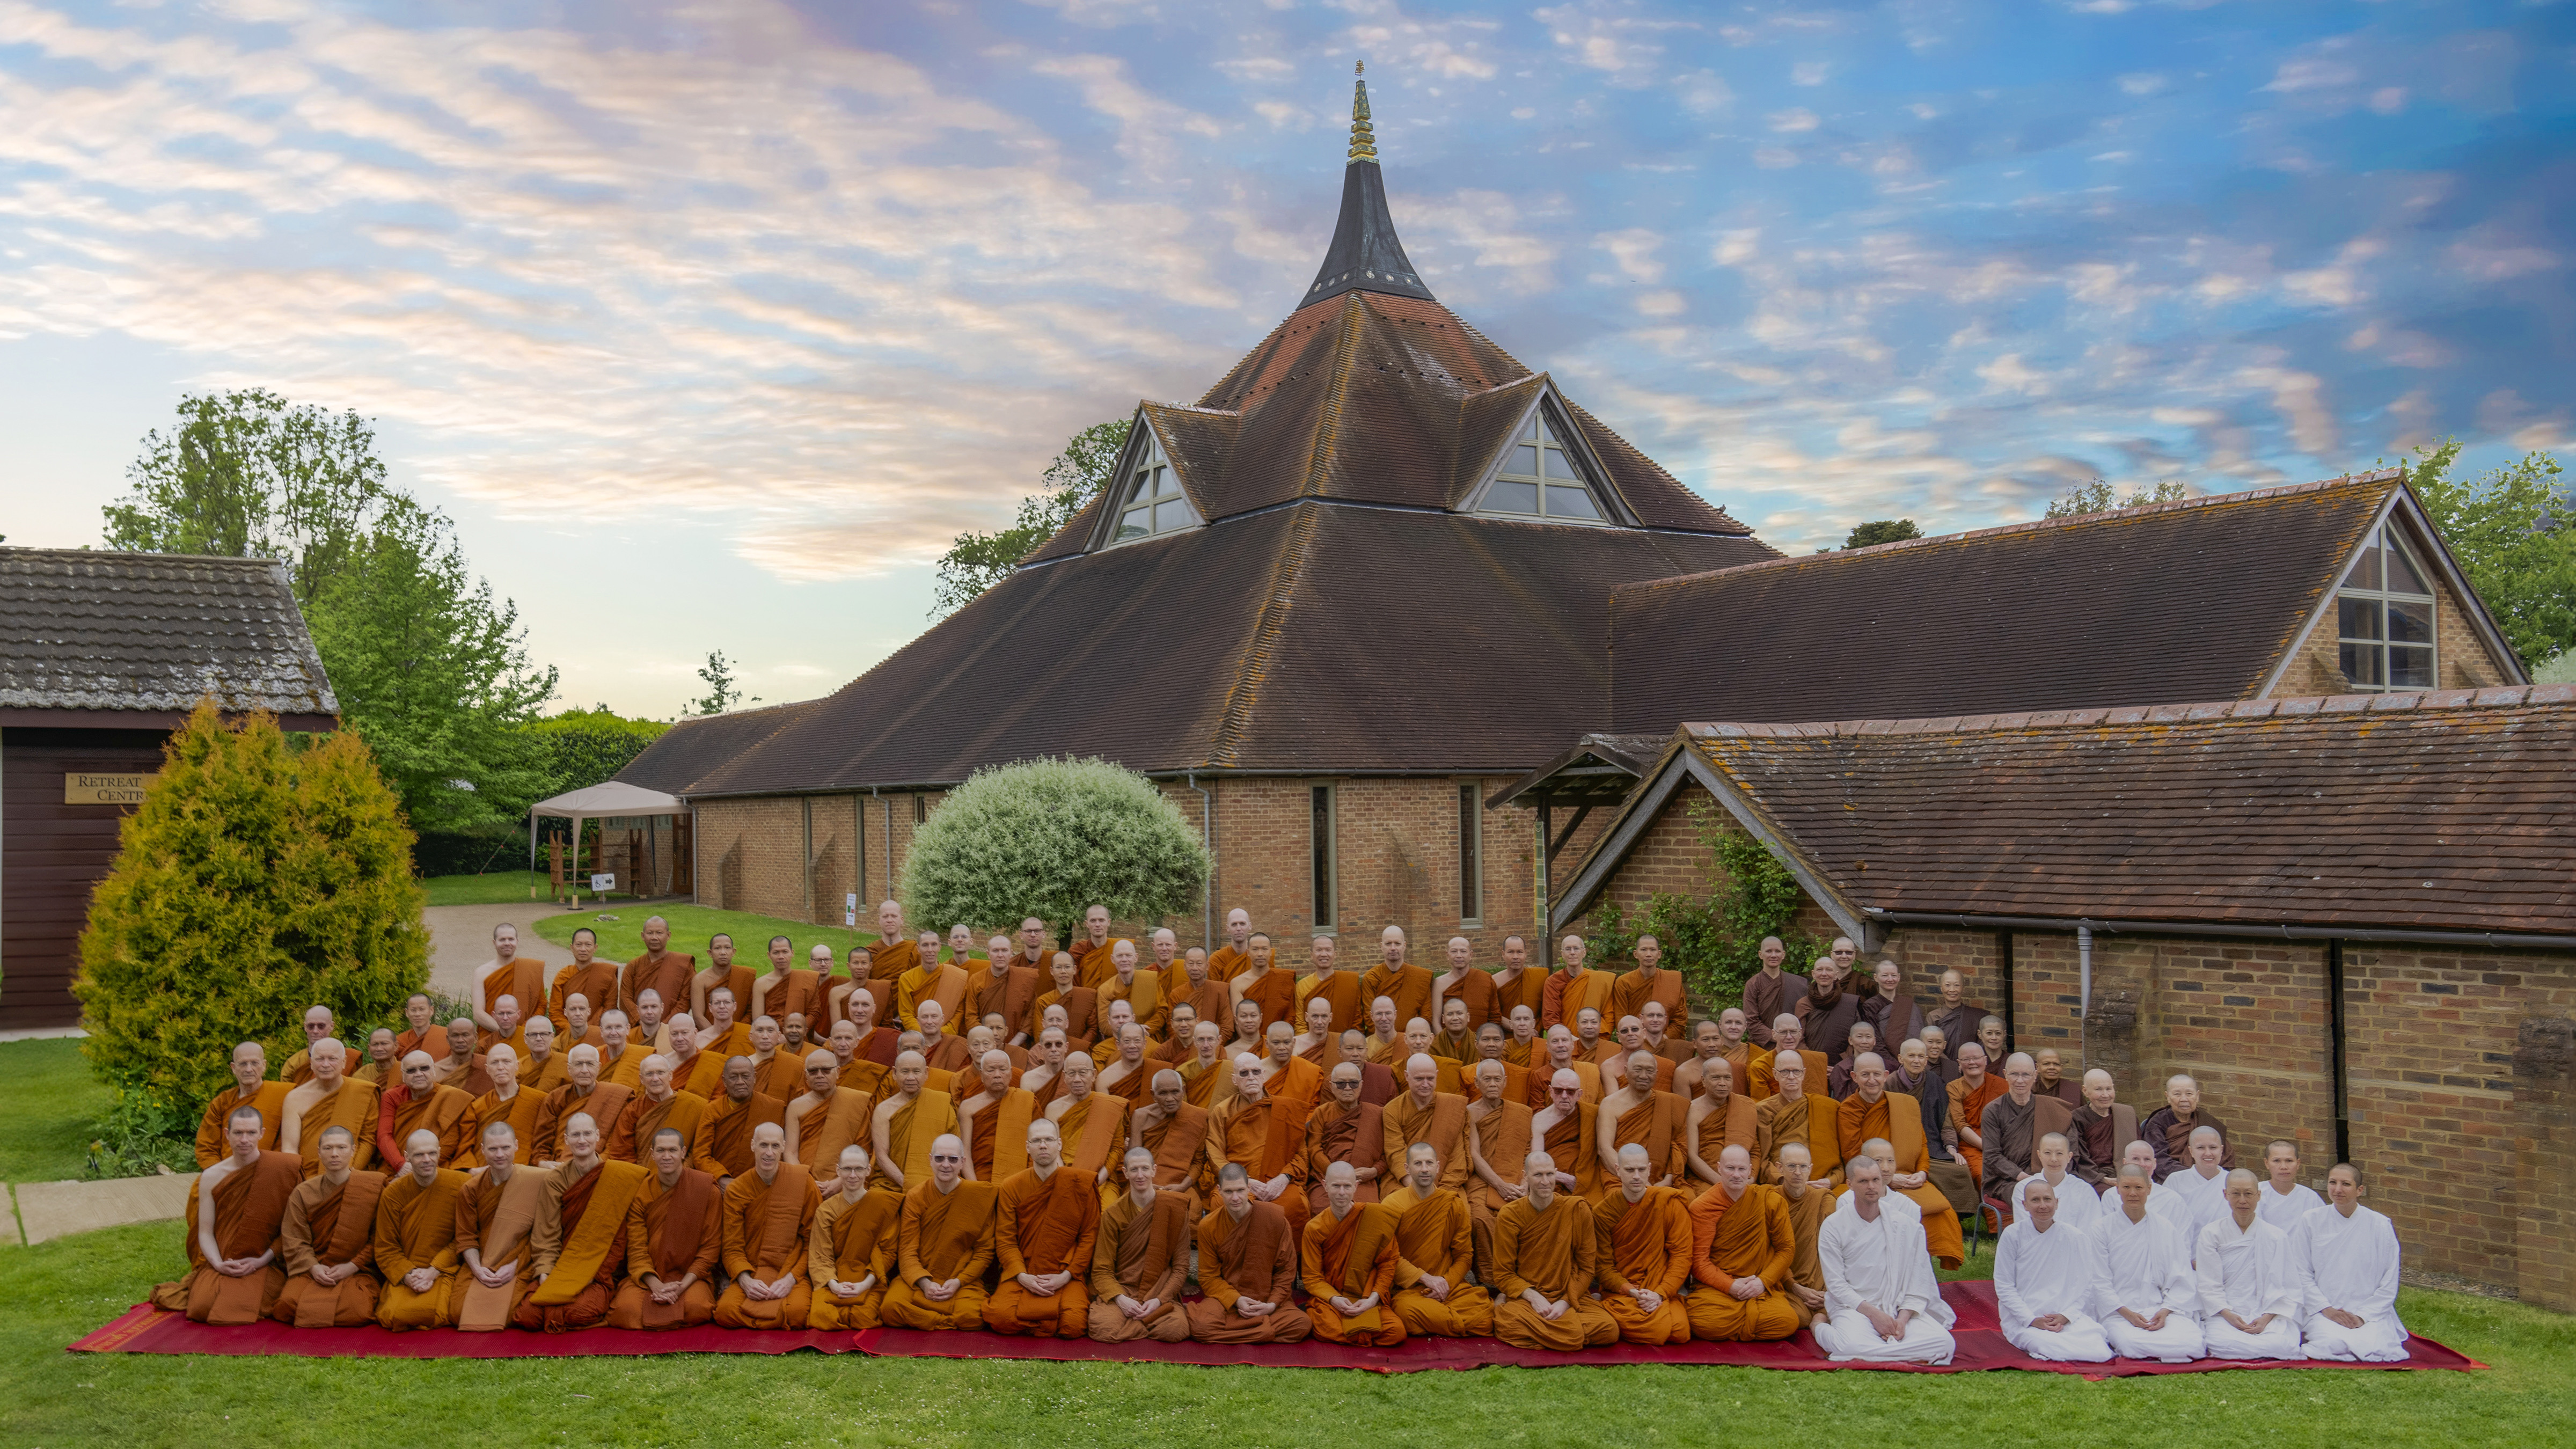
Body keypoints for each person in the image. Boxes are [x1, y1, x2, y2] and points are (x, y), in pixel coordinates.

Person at [153, 1105, 303, 1323]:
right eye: (238, 1133)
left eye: (251, 1133)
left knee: (260, 1302)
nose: (245, 1139)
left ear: (262, 1134)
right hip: (225, 1259)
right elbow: (205, 1231)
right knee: (202, 1307)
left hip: (266, 1260)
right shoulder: (212, 1176)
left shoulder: (281, 1169)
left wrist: (261, 1260)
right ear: (227, 1134)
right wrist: (218, 1264)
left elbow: (292, 1228)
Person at [1811, 1154, 1957, 1363]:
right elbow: (1836, 1285)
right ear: (1850, 1184)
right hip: (1854, 1308)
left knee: (1945, 1345)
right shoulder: (1834, 1226)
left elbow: (1919, 1280)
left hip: (1896, 1307)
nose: (1871, 1187)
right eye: (1863, 1181)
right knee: (1850, 1346)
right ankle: (1819, 1326)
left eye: (1876, 1180)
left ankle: (1879, 1350)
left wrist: (1902, 1321)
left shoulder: (1905, 1225)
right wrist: (1874, 1315)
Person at [515, 1113, 650, 1332]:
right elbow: (546, 1234)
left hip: (597, 1270)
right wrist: (545, 1272)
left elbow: (620, 1238)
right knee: (527, 1317)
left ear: (598, 1137)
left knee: (578, 1312)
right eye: (576, 1135)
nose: (582, 1140)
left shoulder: (620, 1176)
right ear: (566, 1140)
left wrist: (593, 1275)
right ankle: (556, 1308)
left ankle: (558, 1311)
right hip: (562, 1266)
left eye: (587, 1134)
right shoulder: (556, 1180)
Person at [1490, 1148, 1620, 1350]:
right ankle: (1509, 1306)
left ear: (1556, 1174)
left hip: (1568, 1292)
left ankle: (1549, 1329)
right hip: (1529, 1294)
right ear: (1525, 1177)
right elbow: (1503, 1274)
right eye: (1538, 1175)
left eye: (1550, 1174)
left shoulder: (1577, 1209)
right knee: (1509, 1324)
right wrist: (1534, 1298)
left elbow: (1587, 1269)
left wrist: (1566, 1302)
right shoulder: (1510, 1215)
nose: (1545, 1182)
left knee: (1609, 1329)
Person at [985, 1118, 1100, 1337]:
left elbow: (1088, 1237)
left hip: (1064, 1271)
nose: (1043, 1145)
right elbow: (1006, 1239)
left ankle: (1036, 1320)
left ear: (1060, 1144)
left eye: (1048, 1139)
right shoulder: (1012, 1186)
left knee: (1074, 1325)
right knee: (1000, 1318)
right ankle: (1044, 1321)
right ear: (1028, 1147)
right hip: (1025, 1269)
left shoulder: (1080, 1183)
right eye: (1037, 1141)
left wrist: (1067, 1276)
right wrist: (1022, 1276)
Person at [603, 1125, 721, 1330]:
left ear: (683, 1153)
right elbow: (637, 1249)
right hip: (650, 1275)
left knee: (697, 1307)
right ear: (652, 1154)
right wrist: (655, 1284)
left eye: (673, 1150)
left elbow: (711, 1248)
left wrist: (683, 1285)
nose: (667, 1156)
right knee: (625, 1310)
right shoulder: (641, 1193)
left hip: (689, 1277)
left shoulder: (706, 1190)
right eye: (661, 1151)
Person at [880, 1132, 999, 1330]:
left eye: (953, 1159)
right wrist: (925, 1283)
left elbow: (984, 1251)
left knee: (974, 1315)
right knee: (890, 1308)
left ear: (963, 1162)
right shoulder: (916, 1196)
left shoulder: (979, 1196)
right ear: (930, 1160)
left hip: (960, 1280)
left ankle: (926, 1319)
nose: (946, 1165)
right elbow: (907, 1250)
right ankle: (946, 1321)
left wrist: (959, 1282)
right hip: (921, 1278)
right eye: (940, 1158)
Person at [1680, 1144, 1798, 1341]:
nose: (1736, 1175)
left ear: (1750, 1171)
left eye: (1742, 1169)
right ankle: (1751, 1325)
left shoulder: (1769, 1201)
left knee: (1788, 1321)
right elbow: (1699, 1262)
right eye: (1730, 1168)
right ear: (1719, 1168)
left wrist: (1762, 1282)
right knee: (1704, 1322)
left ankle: (1739, 1324)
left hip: (1759, 1284)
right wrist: (1730, 1286)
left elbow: (1786, 1249)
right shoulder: (1703, 1207)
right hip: (1719, 1288)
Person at [269, 1124, 384, 1327]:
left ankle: (320, 1310)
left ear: (353, 1150)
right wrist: (314, 1268)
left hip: (357, 1270)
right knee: (286, 1306)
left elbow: (380, 1238)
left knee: (357, 1311)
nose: (335, 1154)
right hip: (312, 1268)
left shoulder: (372, 1187)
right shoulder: (304, 1192)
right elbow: (294, 1239)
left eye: (342, 1148)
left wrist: (352, 1266)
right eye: (328, 1148)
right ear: (319, 1152)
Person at [2292, 1162, 2407, 1362]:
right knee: (2331, 1344)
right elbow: (2300, 1271)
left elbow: (2389, 1281)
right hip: (2323, 1309)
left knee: (2377, 1347)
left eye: (2346, 1184)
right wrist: (2327, 1310)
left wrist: (2362, 1316)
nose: (2337, 1190)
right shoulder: (2311, 1220)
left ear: (2359, 1190)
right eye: (2332, 1183)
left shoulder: (2380, 1225)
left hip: (2369, 1311)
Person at [2091, 1161, 2206, 1362]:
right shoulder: (2101, 1229)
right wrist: (2128, 1314)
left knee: (2194, 1345)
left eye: (2139, 1187)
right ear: (2117, 1189)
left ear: (2149, 1189)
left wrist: (2165, 1311)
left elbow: (2181, 1277)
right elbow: (2098, 1281)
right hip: (2119, 1311)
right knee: (2130, 1345)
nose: (2133, 1193)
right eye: (2127, 1187)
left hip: (2159, 1309)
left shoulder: (2165, 1228)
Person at [1188, 1163, 1313, 1343]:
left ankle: (1244, 1330)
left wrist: (1272, 1304)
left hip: (1267, 1298)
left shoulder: (1275, 1219)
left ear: (1249, 1188)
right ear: (1219, 1190)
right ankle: (1264, 1332)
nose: (1236, 1198)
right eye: (1229, 1192)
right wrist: (1237, 1300)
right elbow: (1209, 1277)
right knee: (1201, 1326)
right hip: (1228, 1300)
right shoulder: (1208, 1226)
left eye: (1240, 1190)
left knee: (1301, 1324)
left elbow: (1287, 1270)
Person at [1379, 1140, 1491, 1338]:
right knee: (1407, 1312)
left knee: (1485, 1317)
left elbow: (1465, 1255)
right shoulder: (1392, 1204)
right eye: (1418, 1164)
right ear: (1407, 1168)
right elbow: (1388, 1256)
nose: (1424, 1169)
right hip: (1410, 1289)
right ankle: (1455, 1322)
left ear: (1438, 1166)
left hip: (1448, 1287)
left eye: (1429, 1163)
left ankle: (1435, 1321)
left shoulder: (1452, 1204)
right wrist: (1426, 1279)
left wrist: (1445, 1284)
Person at [711, 1122, 817, 1328]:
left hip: (789, 1270)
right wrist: (745, 1281)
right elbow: (732, 1247)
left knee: (797, 1313)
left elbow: (813, 1241)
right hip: (753, 1271)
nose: (769, 1153)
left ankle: (760, 1318)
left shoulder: (803, 1181)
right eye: (763, 1145)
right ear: (753, 1146)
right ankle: (773, 1318)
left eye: (775, 1146)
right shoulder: (737, 1190)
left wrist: (791, 1279)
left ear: (784, 1147)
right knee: (725, 1312)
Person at [1993, 1177, 2111, 1362]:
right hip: (2026, 1318)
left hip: (2065, 1315)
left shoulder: (2076, 1237)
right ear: (2025, 1205)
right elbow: (2004, 1285)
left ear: (2057, 1203)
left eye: (2047, 1199)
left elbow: (2085, 1285)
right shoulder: (2012, 1236)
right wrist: (2031, 1319)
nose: (2043, 1206)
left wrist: (2066, 1316)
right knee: (2046, 1343)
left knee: (2100, 1351)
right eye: (2035, 1200)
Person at [1590, 1142, 1692, 1345]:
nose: (1636, 1176)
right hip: (1625, 1289)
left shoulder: (1668, 1202)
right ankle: (1603, 1305)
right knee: (1658, 1329)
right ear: (1618, 1170)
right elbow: (1603, 1267)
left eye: (1641, 1169)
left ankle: (1604, 1308)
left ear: (1649, 1170)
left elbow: (1682, 1255)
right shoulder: (1603, 1213)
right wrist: (1631, 1291)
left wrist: (1660, 1293)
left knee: (1680, 1331)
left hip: (1660, 1287)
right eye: (1629, 1170)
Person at [1088, 1147, 1193, 1343]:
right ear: (1125, 1173)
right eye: (1134, 1170)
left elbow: (1180, 1267)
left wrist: (1160, 1300)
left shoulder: (1175, 1209)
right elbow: (1102, 1269)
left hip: (1158, 1291)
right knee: (1104, 1328)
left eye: (1145, 1169)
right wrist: (1121, 1300)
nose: (1140, 1175)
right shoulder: (1113, 1214)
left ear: (1154, 1170)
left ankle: (1134, 1323)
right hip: (1124, 1289)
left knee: (1175, 1330)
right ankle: (1147, 1322)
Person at [1207, 1051, 1314, 1241]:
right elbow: (1215, 1153)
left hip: (1279, 1181)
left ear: (1264, 1076)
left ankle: (1286, 1264)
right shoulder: (1222, 1111)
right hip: (1239, 1183)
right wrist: (1244, 1182)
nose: (1251, 1078)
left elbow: (1300, 1154)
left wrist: (1283, 1178)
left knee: (1295, 1205)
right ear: (1234, 1080)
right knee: (1220, 1204)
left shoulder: (1285, 1109)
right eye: (1244, 1073)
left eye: (1256, 1072)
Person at [2196, 1167, 2299, 1358]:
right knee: (2222, 1343)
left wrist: (2266, 1318)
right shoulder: (2211, 1234)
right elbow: (2208, 1284)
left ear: (2259, 1195)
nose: (2242, 1200)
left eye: (2249, 1194)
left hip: (2266, 1311)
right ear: (2226, 1195)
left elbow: (2288, 1286)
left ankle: (2259, 1343)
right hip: (2224, 1312)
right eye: (2236, 1194)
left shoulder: (2276, 1236)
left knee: (2283, 1344)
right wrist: (2229, 1315)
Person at [451, 1121, 545, 1330]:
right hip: (483, 1260)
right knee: (458, 1312)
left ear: (516, 1146)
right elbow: (466, 1237)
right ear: (483, 1150)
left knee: (515, 1312)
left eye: (505, 1148)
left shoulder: (536, 1181)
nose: (500, 1154)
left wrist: (516, 1265)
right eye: (493, 1149)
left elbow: (543, 1233)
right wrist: (477, 1270)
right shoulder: (471, 1189)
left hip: (521, 1259)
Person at [374, 1126, 471, 1329]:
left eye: (432, 1153)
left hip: (445, 1268)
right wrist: (409, 1276)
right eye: (419, 1155)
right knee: (394, 1314)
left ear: (440, 1152)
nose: (427, 1159)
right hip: (408, 1271)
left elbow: (466, 1237)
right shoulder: (393, 1193)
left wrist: (433, 1271)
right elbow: (386, 1247)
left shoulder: (461, 1184)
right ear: (407, 1157)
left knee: (448, 1311)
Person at [1300, 1160, 1404, 1345]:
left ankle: (1353, 1334)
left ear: (1356, 1186)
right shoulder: (1315, 1228)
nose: (1342, 1193)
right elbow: (1312, 1277)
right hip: (1332, 1298)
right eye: (1336, 1186)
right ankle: (1365, 1334)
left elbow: (1388, 1263)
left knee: (1396, 1331)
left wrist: (1373, 1299)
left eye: (1347, 1186)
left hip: (1365, 1296)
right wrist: (1335, 1299)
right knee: (1325, 1326)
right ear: (1325, 1186)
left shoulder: (1374, 1217)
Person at [807, 1144, 903, 1331]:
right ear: (838, 1171)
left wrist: (864, 1285)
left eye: (859, 1169)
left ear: (868, 1171)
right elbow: (820, 1255)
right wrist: (834, 1285)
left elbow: (888, 1253)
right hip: (834, 1278)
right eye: (847, 1169)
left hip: (869, 1280)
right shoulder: (826, 1210)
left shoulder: (882, 1207)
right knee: (821, 1316)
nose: (853, 1175)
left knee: (863, 1317)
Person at [280, 1037, 379, 1176]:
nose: (326, 1065)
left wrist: (350, 1172)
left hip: (351, 1174)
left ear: (344, 1062)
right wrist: (299, 1179)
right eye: (320, 1059)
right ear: (312, 1064)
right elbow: (290, 1149)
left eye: (332, 1059)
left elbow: (368, 1139)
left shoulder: (362, 1092)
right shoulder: (295, 1098)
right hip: (307, 1176)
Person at [871, 1049, 960, 1196]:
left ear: (926, 1073)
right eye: (905, 1072)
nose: (911, 1078)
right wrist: (908, 1184)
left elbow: (954, 1151)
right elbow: (881, 1157)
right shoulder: (883, 1110)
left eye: (916, 1072)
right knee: (876, 1201)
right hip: (892, 1183)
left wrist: (936, 1185)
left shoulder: (941, 1103)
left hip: (938, 1183)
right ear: (894, 1073)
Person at [1299, 1061, 1388, 1205]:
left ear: (1361, 1085)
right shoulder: (1322, 1112)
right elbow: (1314, 1149)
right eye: (1341, 1084)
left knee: (1367, 1210)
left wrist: (1375, 1171)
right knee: (1320, 1207)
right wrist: (1334, 1173)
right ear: (1332, 1087)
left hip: (1363, 1179)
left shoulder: (1377, 1114)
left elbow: (1386, 1153)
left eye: (1353, 1083)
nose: (1348, 1088)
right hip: (1328, 1178)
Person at [1597, 1048, 1686, 1191]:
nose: (1644, 1076)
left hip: (1661, 1178)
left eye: (1650, 1071)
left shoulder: (1669, 1103)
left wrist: (1668, 1179)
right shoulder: (1610, 1104)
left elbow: (1678, 1148)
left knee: (1684, 1200)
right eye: (1638, 1070)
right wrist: (1633, 1178)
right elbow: (1604, 1149)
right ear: (1626, 1071)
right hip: (1620, 1175)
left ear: (1657, 1074)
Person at [532, 1044, 630, 1167]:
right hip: (560, 1167)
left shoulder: (615, 1097)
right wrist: (543, 1163)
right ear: (569, 1069)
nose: (584, 1070)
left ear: (599, 1067)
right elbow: (542, 1142)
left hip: (600, 1166)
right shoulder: (556, 1098)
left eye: (590, 1064)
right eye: (578, 1064)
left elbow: (615, 1144)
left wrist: (597, 1164)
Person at [1751, 1050, 1838, 1188]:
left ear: (1803, 1074)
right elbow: (1762, 1159)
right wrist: (1782, 1180)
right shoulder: (1764, 1110)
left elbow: (1834, 1157)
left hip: (1819, 1182)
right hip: (1781, 1182)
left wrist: (1831, 1181)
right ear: (1775, 1074)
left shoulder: (1826, 1107)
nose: (1791, 1077)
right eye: (1785, 1072)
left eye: (1796, 1072)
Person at [691, 1055, 784, 1183]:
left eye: (745, 1076)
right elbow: (701, 1155)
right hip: (721, 1183)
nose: (740, 1082)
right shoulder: (712, 1110)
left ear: (754, 1078)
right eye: (734, 1077)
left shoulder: (773, 1107)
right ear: (724, 1081)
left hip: (762, 1181)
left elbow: (781, 1151)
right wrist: (721, 1178)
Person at [376, 1050, 474, 1169]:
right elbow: (384, 1135)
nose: (418, 1074)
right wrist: (400, 1165)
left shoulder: (450, 1096)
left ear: (434, 1070)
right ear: (403, 1075)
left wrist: (425, 1167)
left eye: (424, 1068)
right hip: (398, 1165)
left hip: (436, 1164)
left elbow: (450, 1140)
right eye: (411, 1070)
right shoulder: (392, 1096)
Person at [196, 1042, 289, 1167]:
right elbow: (206, 1147)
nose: (249, 1069)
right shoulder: (222, 1102)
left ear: (264, 1066)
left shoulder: (285, 1094)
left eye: (255, 1063)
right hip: (227, 1173)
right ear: (234, 1068)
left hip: (268, 1171)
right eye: (243, 1064)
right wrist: (218, 1173)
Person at [1770, 1143, 1831, 1329]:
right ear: (1780, 1167)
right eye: (1791, 1166)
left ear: (1810, 1169)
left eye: (1803, 1167)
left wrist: (1829, 1293)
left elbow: (1836, 1248)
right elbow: (1767, 1251)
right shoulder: (1769, 1200)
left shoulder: (1823, 1199)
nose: (1798, 1172)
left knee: (1836, 1307)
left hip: (1820, 1284)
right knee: (1797, 1318)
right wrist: (1794, 1286)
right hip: (1784, 1282)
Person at [1979, 1051, 2050, 1208]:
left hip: (2041, 1174)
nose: (2020, 1080)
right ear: (2005, 1074)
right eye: (2014, 1074)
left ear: (2035, 1075)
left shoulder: (2046, 1107)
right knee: (2030, 1196)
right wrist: (2025, 1178)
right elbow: (1992, 1156)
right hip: (2003, 1180)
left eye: (2026, 1075)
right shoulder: (1993, 1111)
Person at [1129, 1069, 1211, 1204]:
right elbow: (1135, 1160)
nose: (1170, 1099)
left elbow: (1198, 1162)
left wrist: (1183, 1186)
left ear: (1183, 1091)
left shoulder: (1198, 1117)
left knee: (1193, 1210)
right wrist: (1147, 1185)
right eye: (1163, 1093)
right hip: (1144, 1181)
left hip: (1182, 1183)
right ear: (1153, 1095)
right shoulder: (1141, 1117)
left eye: (1175, 1092)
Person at [958, 1049, 1038, 1183]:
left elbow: (1037, 1145)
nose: (997, 1075)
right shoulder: (968, 1107)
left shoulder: (1027, 1101)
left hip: (1021, 1177)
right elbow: (964, 1152)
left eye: (1003, 1069)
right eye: (991, 1070)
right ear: (982, 1075)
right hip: (981, 1176)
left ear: (1011, 1073)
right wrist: (975, 1186)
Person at [614, 1052, 707, 1167]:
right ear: (642, 1079)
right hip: (645, 1177)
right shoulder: (633, 1111)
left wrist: (681, 1171)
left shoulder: (694, 1106)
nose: (655, 1079)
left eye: (660, 1073)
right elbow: (622, 1154)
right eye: (649, 1074)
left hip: (684, 1173)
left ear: (670, 1075)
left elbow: (700, 1148)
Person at [1684, 1057, 1759, 1195]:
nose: (1722, 1083)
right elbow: (1691, 1156)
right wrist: (1721, 1182)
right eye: (1716, 1078)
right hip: (1706, 1179)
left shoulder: (1746, 1106)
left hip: (1741, 1178)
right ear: (1703, 1081)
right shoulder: (1692, 1110)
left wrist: (1751, 1178)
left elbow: (1754, 1149)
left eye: (1727, 1078)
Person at [2143, 1073, 2234, 1182]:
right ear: (2167, 1097)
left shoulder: (2207, 1121)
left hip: (2209, 1178)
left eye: (2189, 1094)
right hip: (2172, 1179)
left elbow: (2224, 1157)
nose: (2184, 1099)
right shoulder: (2158, 1123)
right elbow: (2158, 1159)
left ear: (2197, 1096)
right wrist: (2191, 1177)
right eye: (2177, 1094)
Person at [2011, 1133, 2099, 1232]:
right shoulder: (2024, 1188)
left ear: (2069, 1157)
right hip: (2035, 1246)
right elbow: (2024, 1230)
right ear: (2039, 1155)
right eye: (2048, 1153)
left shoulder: (2085, 1191)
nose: (2054, 1159)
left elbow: (2089, 1232)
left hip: (2075, 1246)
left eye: (2059, 1153)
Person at [472, 924, 547, 1040]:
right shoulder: (481, 973)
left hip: (525, 1037)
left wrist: (523, 1031)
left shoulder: (531, 969)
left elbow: (541, 1004)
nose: (507, 943)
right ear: (494, 942)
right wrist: (505, 1032)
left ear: (517, 941)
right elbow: (478, 1013)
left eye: (511, 939)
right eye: (502, 940)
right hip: (492, 1036)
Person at [2068, 1067, 2140, 1189]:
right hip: (2093, 1177)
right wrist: (2102, 1179)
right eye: (2098, 1089)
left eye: (2109, 1089)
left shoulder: (2127, 1114)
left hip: (2126, 1174)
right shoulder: (2077, 1118)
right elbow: (2078, 1156)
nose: (2105, 1095)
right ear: (2085, 1091)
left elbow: (2139, 1150)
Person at [621, 916, 696, 1027]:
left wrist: (664, 1026)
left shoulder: (683, 965)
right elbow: (625, 998)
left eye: (659, 933)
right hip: (639, 1028)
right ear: (643, 936)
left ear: (668, 935)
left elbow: (686, 1000)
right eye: (650, 933)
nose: (654, 938)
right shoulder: (633, 966)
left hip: (671, 1030)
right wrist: (642, 1023)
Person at [1946, 1042, 2002, 1185]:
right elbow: (1960, 1125)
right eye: (1966, 1060)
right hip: (1972, 1145)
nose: (1972, 1063)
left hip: (2001, 1143)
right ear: (1959, 1063)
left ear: (1985, 1060)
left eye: (1976, 1058)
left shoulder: (2002, 1085)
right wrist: (1987, 1146)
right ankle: (1990, 1208)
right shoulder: (1954, 1088)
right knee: (1983, 1174)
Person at [1362, 925, 1436, 1034]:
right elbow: (1369, 1016)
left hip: (1412, 1040)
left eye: (1397, 943)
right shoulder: (1371, 978)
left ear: (1404, 946)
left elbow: (1426, 1016)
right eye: (1388, 944)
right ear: (1382, 947)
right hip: (1380, 1040)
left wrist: (1410, 1039)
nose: (1393, 948)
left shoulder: (1421, 977)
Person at [550, 929, 620, 1039]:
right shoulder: (563, 976)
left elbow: (610, 1009)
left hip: (598, 1035)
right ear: (572, 947)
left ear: (595, 948)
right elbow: (555, 1013)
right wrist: (573, 1032)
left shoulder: (607, 974)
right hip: (569, 1036)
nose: (583, 949)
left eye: (588, 945)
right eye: (579, 945)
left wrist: (590, 1032)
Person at [1739, 938, 1805, 1050]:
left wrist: (1789, 1037)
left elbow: (1804, 1018)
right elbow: (1752, 1021)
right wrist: (1779, 1037)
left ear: (1783, 955)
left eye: (1778, 951)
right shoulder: (1753, 984)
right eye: (1769, 951)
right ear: (1761, 954)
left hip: (1793, 1045)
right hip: (1762, 1046)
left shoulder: (1798, 983)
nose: (1774, 955)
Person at [1296, 933, 1364, 1035]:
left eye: (1328, 950)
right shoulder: (1303, 985)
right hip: (1312, 1045)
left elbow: (1357, 1019)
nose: (1324, 954)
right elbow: (1300, 1023)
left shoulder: (1349, 982)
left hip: (1344, 1045)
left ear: (1335, 954)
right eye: (1319, 950)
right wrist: (1310, 1045)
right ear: (1312, 955)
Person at [1230, 932, 1297, 1035]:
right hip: (1249, 1041)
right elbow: (1239, 1021)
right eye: (1255, 949)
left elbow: (1290, 1016)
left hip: (1279, 1039)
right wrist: (1253, 1044)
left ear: (1271, 952)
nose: (1260, 954)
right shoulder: (1237, 983)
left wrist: (1277, 1040)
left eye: (1264, 949)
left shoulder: (1284, 978)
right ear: (1248, 952)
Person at [1430, 935, 1495, 1035]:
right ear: (1447, 955)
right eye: (1454, 951)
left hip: (1480, 1041)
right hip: (1448, 1039)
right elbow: (1435, 1021)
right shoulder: (1439, 983)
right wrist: (1443, 1045)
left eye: (1463, 951)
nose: (1459, 956)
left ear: (1471, 955)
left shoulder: (1485, 979)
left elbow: (1494, 1015)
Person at [2257, 1139, 2325, 1232]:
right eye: (2277, 1161)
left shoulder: (2310, 1197)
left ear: (2298, 1163)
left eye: (2289, 1161)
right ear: (2267, 1163)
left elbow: (2323, 1229)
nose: (2284, 1167)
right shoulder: (2255, 1193)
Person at [1206, 909, 1256, 982]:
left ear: (1250, 926)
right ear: (1228, 928)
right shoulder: (1217, 959)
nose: (1239, 928)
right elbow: (1214, 990)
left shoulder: (1259, 957)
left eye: (1242, 924)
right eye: (1234, 925)